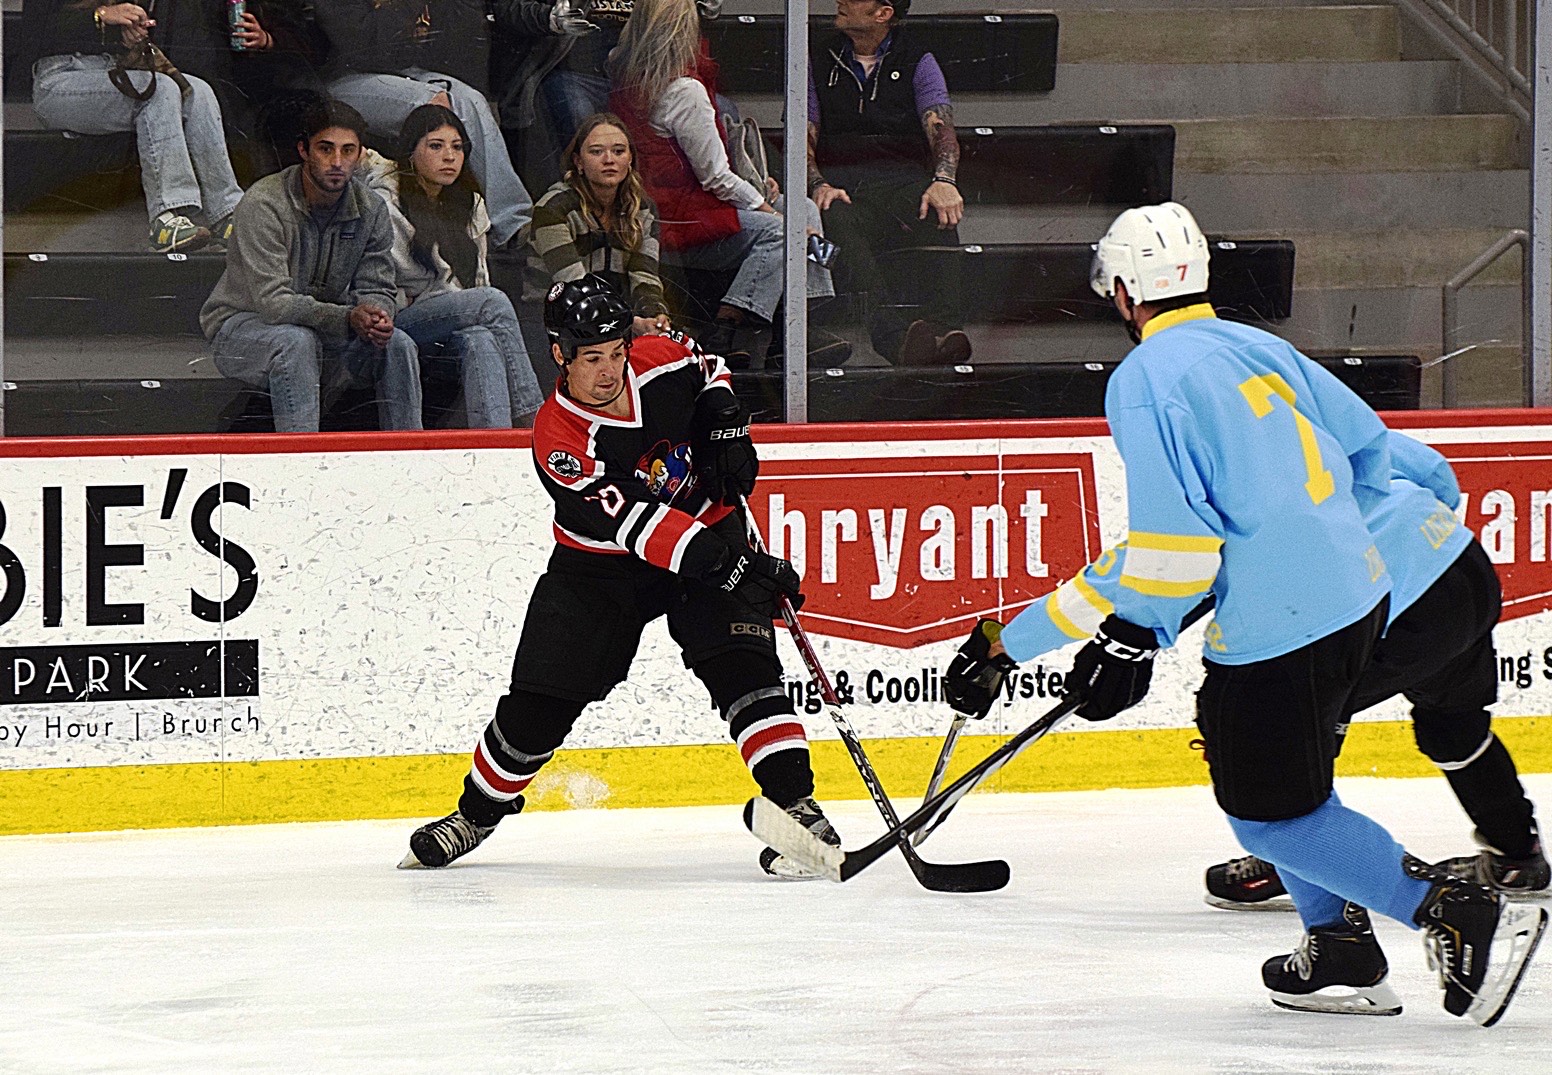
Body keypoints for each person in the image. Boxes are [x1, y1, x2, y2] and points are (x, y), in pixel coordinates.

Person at [942, 202, 1545, 1024]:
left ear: (1123, 292)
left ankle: (1447, 910)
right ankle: (1339, 941)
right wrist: (1019, 644)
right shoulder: (1263, 348)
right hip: (1364, 593)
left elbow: (1173, 538)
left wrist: (1130, 638)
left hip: (1285, 620)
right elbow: (1377, 452)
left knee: (1269, 811)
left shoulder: (1146, 379)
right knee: (1278, 778)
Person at [944, 428, 1550, 913]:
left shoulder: (1205, 485)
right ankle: (1516, 852)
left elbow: (1113, 582)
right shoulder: (1306, 422)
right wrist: (1413, 543)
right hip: (1459, 564)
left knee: (1287, 722)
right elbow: (1428, 470)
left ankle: (1311, 849)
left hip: (1391, 598)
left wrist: (1005, 648)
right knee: (1453, 724)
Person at [401, 274, 840, 877]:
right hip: (602, 573)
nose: (609, 373)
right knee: (537, 707)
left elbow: (706, 361)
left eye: (615, 354)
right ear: (559, 355)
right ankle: (474, 815)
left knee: (745, 666)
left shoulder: (656, 359)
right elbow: (637, 523)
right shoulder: (559, 437)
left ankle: (797, 808)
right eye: (592, 359)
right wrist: (733, 565)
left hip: (705, 531)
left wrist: (725, 419)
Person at [608, 0, 847, 369]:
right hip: (682, 224)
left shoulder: (631, 79)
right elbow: (715, 177)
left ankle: (795, 332)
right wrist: (767, 210)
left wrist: (760, 192)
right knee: (786, 232)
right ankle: (727, 325)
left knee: (803, 208)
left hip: (675, 208)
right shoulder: (685, 91)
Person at [200, 99, 423, 432]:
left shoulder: (372, 208)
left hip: (324, 330)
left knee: (397, 343)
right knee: (296, 342)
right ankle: (300, 464)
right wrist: (348, 317)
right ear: (303, 150)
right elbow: (273, 304)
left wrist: (376, 316)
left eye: (348, 151)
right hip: (242, 329)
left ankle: (413, 459)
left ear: (360, 156)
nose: (337, 162)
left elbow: (377, 285)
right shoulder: (264, 203)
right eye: (325, 149)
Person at [360, 104, 546, 428]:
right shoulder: (387, 202)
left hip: (452, 318)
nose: (449, 156)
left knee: (481, 340)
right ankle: (533, 417)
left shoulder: (471, 203)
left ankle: (495, 444)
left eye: (457, 147)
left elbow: (477, 279)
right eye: (436, 146)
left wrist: (452, 300)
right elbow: (390, 283)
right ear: (410, 152)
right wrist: (449, 299)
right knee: (492, 301)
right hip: (402, 321)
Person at [808, 0, 970, 366]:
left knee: (938, 207)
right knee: (833, 217)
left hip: (900, 182)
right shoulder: (816, 56)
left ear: (883, 13)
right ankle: (892, 338)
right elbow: (803, 132)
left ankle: (945, 330)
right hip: (842, 186)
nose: (840, 1)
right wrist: (817, 183)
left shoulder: (916, 58)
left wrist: (944, 179)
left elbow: (940, 127)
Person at [24, 0, 245, 252]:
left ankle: (228, 213)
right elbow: (35, 33)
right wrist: (101, 17)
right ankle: (167, 218)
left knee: (199, 92)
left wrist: (133, 32)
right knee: (159, 91)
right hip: (60, 77)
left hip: (117, 68)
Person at [314, 0, 534, 247]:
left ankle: (515, 222)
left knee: (471, 100)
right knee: (433, 105)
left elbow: (452, 45)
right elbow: (364, 51)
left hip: (407, 73)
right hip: (346, 79)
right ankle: (434, 223)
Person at [530, 112, 674, 340]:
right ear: (578, 162)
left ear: (630, 159)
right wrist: (630, 322)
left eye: (618, 151)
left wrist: (654, 316)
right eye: (596, 152)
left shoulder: (642, 207)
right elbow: (574, 285)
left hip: (618, 317)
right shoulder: (552, 209)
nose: (609, 159)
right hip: (553, 318)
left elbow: (645, 276)